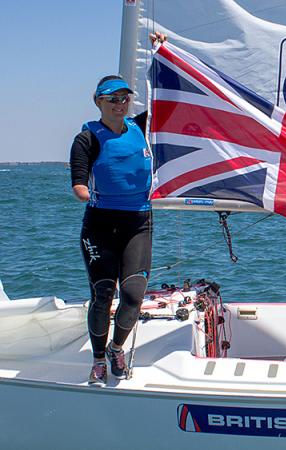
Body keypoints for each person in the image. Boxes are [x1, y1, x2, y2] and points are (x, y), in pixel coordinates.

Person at [71, 33, 166, 386]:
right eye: (112, 99)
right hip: (100, 223)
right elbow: (79, 178)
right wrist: (82, 190)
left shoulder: (141, 128)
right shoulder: (88, 138)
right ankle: (97, 358)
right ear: (98, 102)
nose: (119, 103)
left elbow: (166, 93)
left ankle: (117, 348)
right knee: (103, 293)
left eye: (124, 98)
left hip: (139, 221)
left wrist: (162, 51)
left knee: (133, 294)